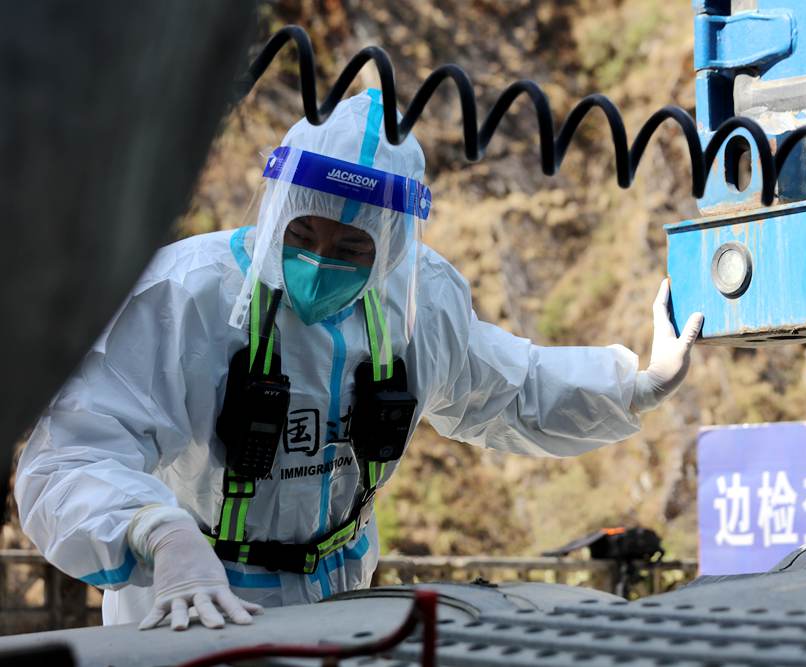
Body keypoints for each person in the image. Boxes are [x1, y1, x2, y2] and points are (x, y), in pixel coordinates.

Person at [15, 89, 703, 631]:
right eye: (304, 233)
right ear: (278, 207)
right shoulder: (183, 297)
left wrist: (634, 386)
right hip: (191, 602)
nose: (321, 261)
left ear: (393, 245)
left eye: (351, 249)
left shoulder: (417, 304)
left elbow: (508, 388)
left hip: (344, 607)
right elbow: (69, 457)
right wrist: (157, 532)